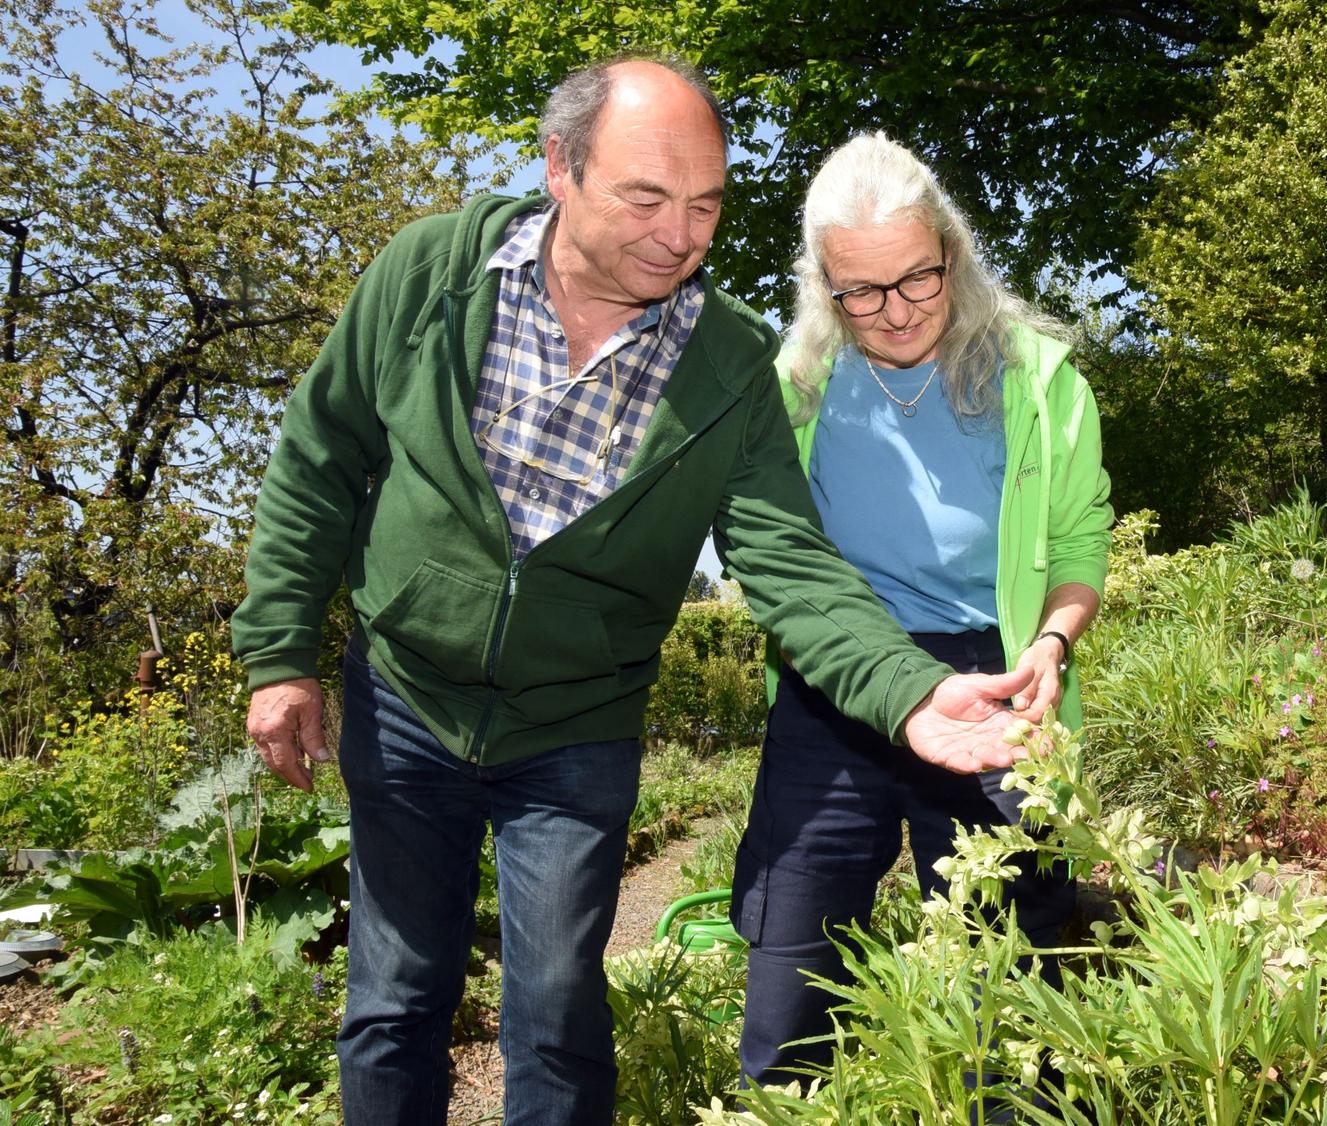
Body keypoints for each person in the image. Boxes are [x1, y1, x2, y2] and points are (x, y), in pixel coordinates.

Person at [231, 59, 1036, 1126]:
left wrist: (910, 689)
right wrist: (281, 654)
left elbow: (787, 560)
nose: (680, 235)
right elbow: (320, 456)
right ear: (560, 168)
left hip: (578, 725)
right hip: (407, 695)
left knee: (557, 1009)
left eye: (705, 204)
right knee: (395, 997)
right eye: (646, 198)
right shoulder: (432, 273)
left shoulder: (728, 363)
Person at [731, 133, 1114, 1085]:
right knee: (793, 980)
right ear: (822, 287)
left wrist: (1053, 643)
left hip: (994, 684)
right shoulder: (793, 389)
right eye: (860, 293)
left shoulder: (1039, 381)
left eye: (916, 279)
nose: (895, 311)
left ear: (954, 252)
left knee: (1009, 992)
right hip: (836, 679)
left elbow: (1079, 546)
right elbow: (768, 553)